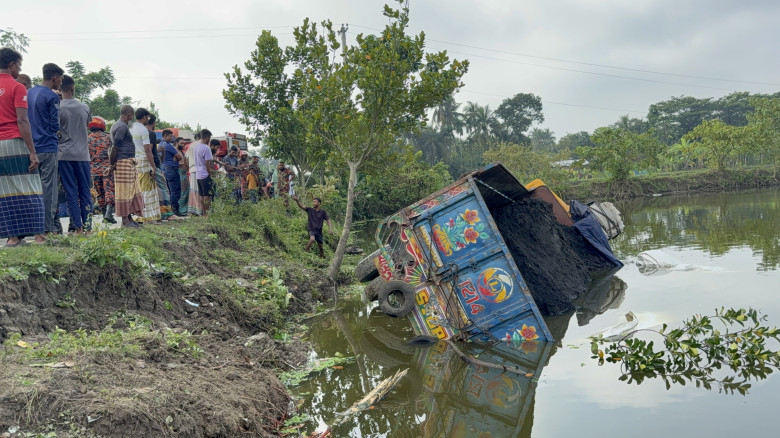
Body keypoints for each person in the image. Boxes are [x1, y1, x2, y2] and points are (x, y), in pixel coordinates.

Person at [0, 47, 45, 246]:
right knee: (31, 187)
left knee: (6, 191)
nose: (19, 69)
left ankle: (12, 238)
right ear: (11, 65)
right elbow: (23, 121)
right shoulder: (18, 87)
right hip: (15, 142)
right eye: (19, 65)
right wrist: (33, 152)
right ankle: (39, 236)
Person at [27, 62, 64, 235]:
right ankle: (47, 228)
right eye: (61, 79)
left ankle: (33, 228)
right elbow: (54, 124)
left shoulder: (29, 92)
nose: (61, 83)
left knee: (33, 189)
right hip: (48, 147)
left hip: (31, 147)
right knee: (49, 189)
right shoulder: (52, 96)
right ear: (55, 78)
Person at [57, 75, 92, 234]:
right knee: (85, 191)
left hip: (64, 155)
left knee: (71, 192)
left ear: (59, 89)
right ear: (72, 88)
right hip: (82, 155)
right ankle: (89, 226)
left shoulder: (58, 108)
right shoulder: (84, 107)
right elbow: (86, 126)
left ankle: (77, 227)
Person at [110, 105, 144, 228]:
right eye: (132, 116)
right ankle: (125, 221)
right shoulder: (121, 126)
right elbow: (115, 146)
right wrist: (112, 164)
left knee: (131, 190)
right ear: (129, 115)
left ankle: (129, 218)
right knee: (125, 191)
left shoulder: (120, 126)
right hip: (123, 162)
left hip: (126, 161)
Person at [130, 108, 161, 224]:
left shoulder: (131, 128)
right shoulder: (144, 130)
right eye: (147, 117)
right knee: (147, 189)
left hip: (134, 161)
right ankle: (146, 216)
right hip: (144, 160)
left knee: (138, 188)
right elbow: (148, 150)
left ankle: (139, 215)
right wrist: (153, 166)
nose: (148, 120)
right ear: (144, 117)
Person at [87, 116, 115, 223]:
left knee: (100, 193)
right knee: (109, 190)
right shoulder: (107, 137)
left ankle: (105, 215)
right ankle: (108, 213)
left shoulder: (88, 138)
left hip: (94, 170)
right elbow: (113, 151)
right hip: (107, 169)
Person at [146, 115, 172, 220]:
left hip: (142, 166)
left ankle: (155, 213)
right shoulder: (150, 134)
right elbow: (149, 151)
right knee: (163, 189)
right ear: (153, 123)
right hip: (153, 166)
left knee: (151, 191)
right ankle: (167, 214)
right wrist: (153, 166)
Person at [194, 131, 215, 216]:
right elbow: (207, 163)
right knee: (207, 195)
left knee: (201, 195)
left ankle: (203, 212)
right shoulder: (206, 148)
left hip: (198, 174)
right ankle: (207, 214)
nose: (209, 140)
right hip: (205, 174)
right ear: (207, 137)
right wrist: (210, 173)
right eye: (209, 138)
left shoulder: (196, 146)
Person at [185, 132, 202, 215]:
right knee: (200, 190)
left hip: (192, 170)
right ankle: (200, 210)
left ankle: (193, 210)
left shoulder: (190, 145)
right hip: (200, 170)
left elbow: (186, 158)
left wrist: (187, 169)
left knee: (193, 191)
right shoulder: (202, 144)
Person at [175, 137, 189, 215]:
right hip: (180, 173)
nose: (183, 145)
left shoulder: (181, 152)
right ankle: (181, 210)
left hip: (184, 173)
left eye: (184, 143)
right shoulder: (175, 151)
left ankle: (184, 209)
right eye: (181, 143)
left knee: (185, 192)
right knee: (182, 192)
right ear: (176, 143)